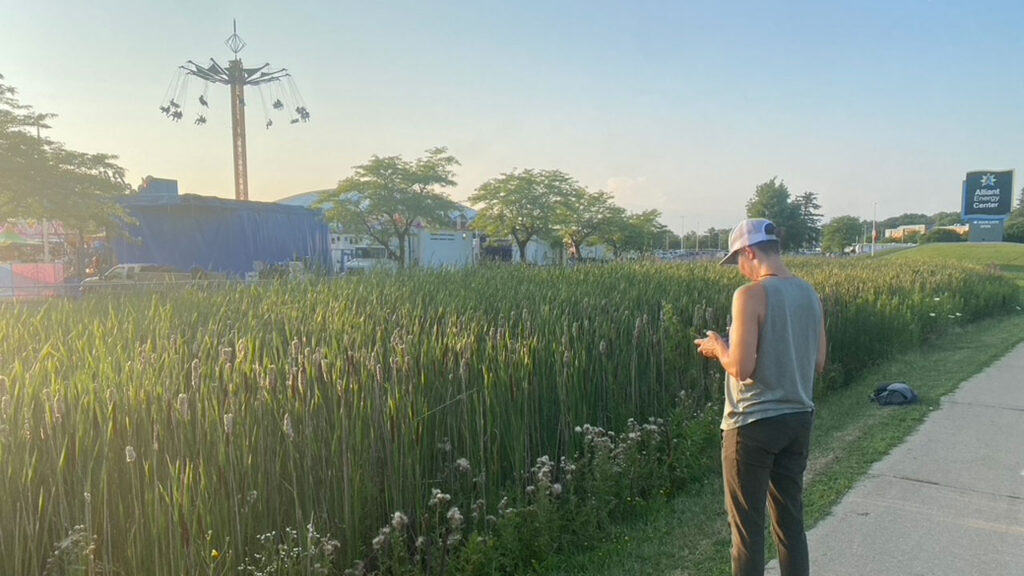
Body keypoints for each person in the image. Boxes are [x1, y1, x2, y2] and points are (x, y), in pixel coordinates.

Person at [694, 218, 827, 576]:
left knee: (748, 534)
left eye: (738, 259)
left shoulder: (749, 295)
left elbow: (742, 368)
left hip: (752, 424)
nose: (739, 269)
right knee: (790, 524)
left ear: (749, 252)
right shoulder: (810, 293)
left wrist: (717, 346)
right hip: (799, 418)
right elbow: (819, 362)